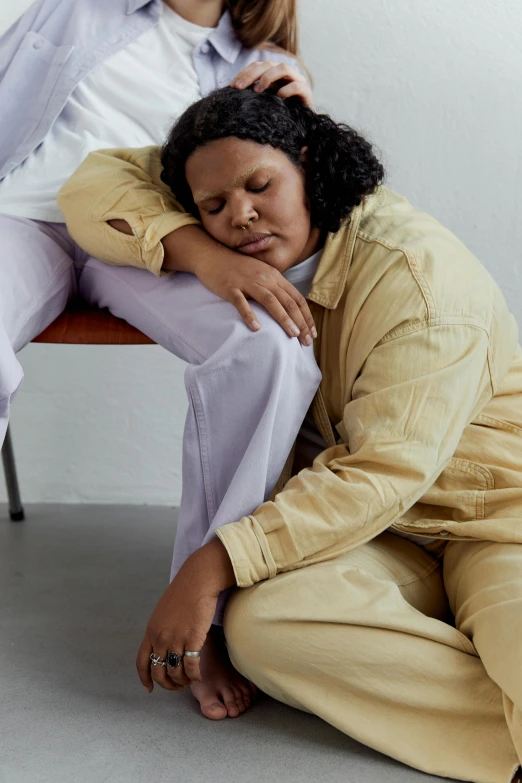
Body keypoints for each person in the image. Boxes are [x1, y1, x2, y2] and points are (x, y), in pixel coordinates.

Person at [61, 86, 522, 782]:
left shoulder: (419, 283)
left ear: (307, 161)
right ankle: (504, 733)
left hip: (495, 523)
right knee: (262, 626)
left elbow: (380, 474)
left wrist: (209, 564)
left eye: (260, 185)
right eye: (213, 205)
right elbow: (90, 185)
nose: (239, 213)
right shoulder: (232, 221)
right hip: (382, 535)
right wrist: (198, 253)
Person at [0, 0, 323, 721]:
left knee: (270, 346)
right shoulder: (70, 10)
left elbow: (293, 210)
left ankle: (205, 609)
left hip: (156, 247)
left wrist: (306, 129)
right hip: (18, 219)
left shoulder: (263, 64)